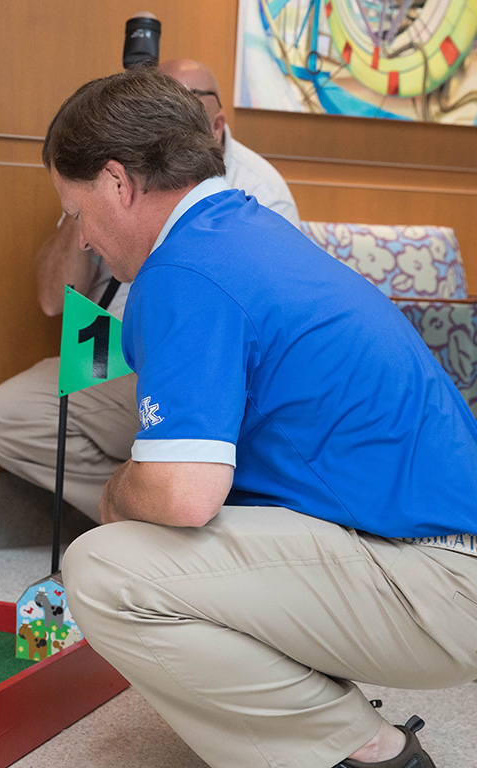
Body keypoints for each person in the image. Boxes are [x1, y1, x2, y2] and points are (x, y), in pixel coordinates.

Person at [47, 66, 477, 768]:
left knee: (103, 567)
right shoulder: (244, 231)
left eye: (77, 211)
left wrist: (117, 491)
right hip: (438, 556)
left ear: (119, 184)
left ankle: (363, 751)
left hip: (442, 583)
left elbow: (183, 497)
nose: (86, 237)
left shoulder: (185, 269)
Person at [0, 58, 299, 521]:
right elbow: (52, 300)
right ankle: (148, 515)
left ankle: (169, 508)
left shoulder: (256, 192)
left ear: (215, 123)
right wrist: (80, 206)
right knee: (2, 417)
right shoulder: (112, 179)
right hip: (110, 344)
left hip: (202, 354)